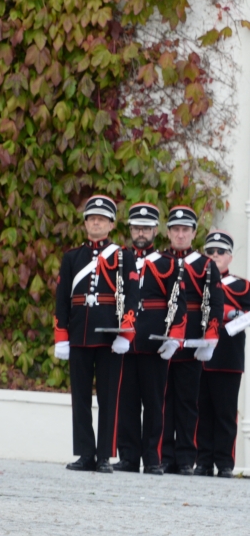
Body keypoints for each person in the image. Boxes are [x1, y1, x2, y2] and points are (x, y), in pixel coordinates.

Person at [53, 195, 123, 473]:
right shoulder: (72, 257)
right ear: (85, 224)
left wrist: (125, 334)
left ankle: (105, 455)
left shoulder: (121, 256)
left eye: (102, 219)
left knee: (108, 398)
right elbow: (62, 299)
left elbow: (129, 298)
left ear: (111, 224)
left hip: (109, 336)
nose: (96, 223)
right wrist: (61, 336)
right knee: (80, 397)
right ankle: (85, 453)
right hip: (79, 335)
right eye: (92, 218)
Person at [158, 206, 222, 475]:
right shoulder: (159, 260)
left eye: (185, 230)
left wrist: (211, 337)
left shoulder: (206, 265)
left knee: (187, 401)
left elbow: (215, 303)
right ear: (169, 232)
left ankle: (185, 458)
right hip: (162, 338)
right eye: (176, 229)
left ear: (194, 233)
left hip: (192, 340)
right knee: (162, 400)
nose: (180, 234)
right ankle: (163, 456)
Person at [113, 202, 160, 472]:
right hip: (126, 340)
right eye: (136, 227)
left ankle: (152, 458)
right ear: (129, 229)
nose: (140, 232)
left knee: (154, 402)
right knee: (127, 401)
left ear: (155, 230)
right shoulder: (119, 259)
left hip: (153, 340)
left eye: (146, 227)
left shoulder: (166, 261)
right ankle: (129, 457)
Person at [195, 230, 246, 478]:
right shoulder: (196, 281)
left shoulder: (241, 285)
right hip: (198, 356)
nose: (215, 256)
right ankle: (203, 461)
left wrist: (231, 315)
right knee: (200, 410)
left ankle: (224, 462)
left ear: (230, 257)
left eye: (220, 252)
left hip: (227, 356)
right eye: (210, 252)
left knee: (225, 412)